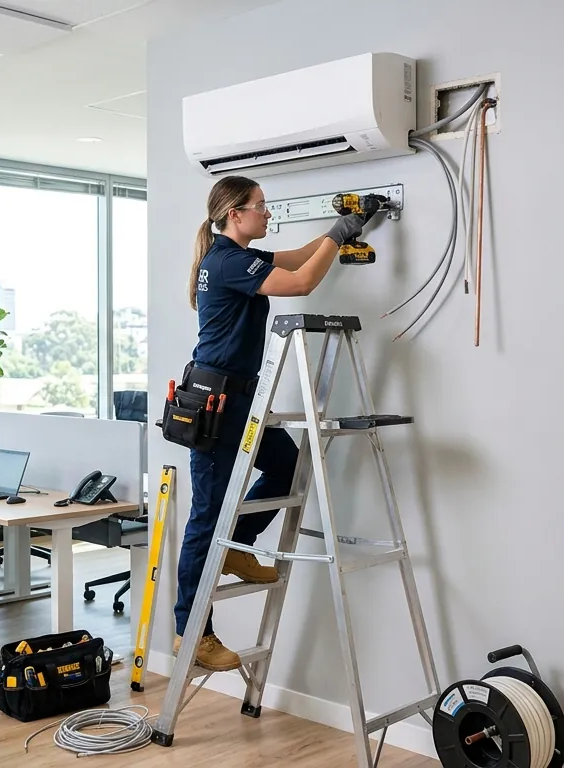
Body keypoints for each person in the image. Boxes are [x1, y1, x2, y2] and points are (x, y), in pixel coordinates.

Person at [173, 175, 370, 671]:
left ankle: (238, 543)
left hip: (238, 401)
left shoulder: (236, 258)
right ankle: (191, 633)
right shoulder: (228, 261)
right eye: (261, 207)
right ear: (235, 214)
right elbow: (302, 282)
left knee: (287, 465)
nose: (268, 213)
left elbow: (300, 257)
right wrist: (339, 234)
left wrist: (345, 228)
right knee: (204, 517)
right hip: (216, 404)